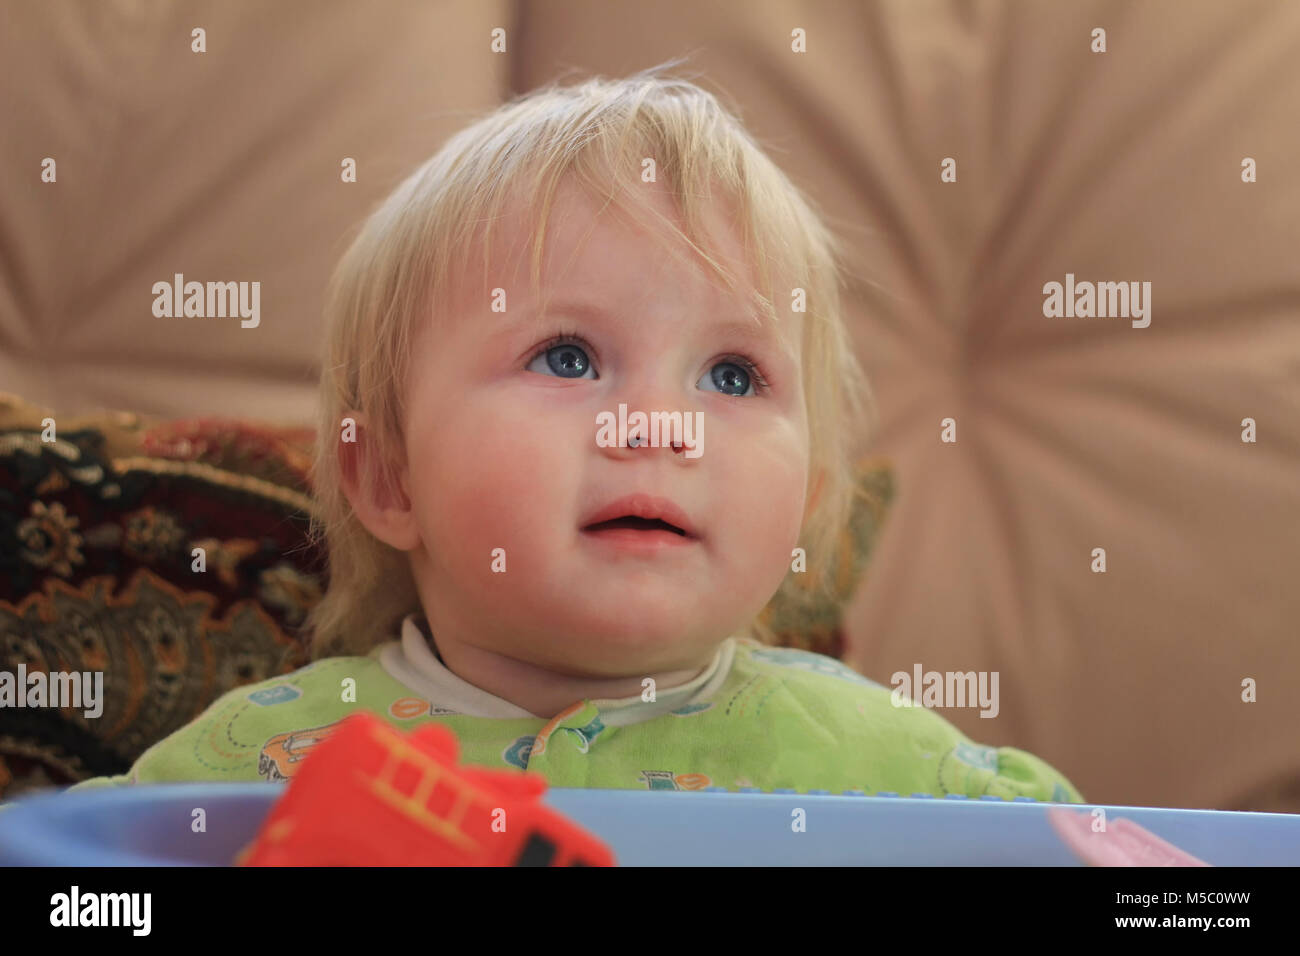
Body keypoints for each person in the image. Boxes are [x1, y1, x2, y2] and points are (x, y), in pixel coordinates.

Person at [69, 64, 1083, 803]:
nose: (658, 426)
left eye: (733, 374)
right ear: (389, 475)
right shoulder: (261, 761)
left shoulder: (897, 769)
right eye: (565, 357)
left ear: (812, 498)